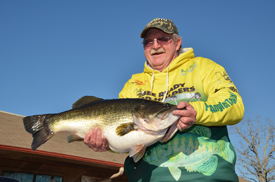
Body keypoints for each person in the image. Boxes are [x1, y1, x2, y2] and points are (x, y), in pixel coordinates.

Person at [84, 18, 244, 182]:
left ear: (177, 43)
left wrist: (198, 112)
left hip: (205, 177)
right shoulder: (133, 84)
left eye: (163, 39)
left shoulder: (204, 68)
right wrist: (107, 145)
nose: (155, 46)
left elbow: (234, 105)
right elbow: (127, 139)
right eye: (148, 42)